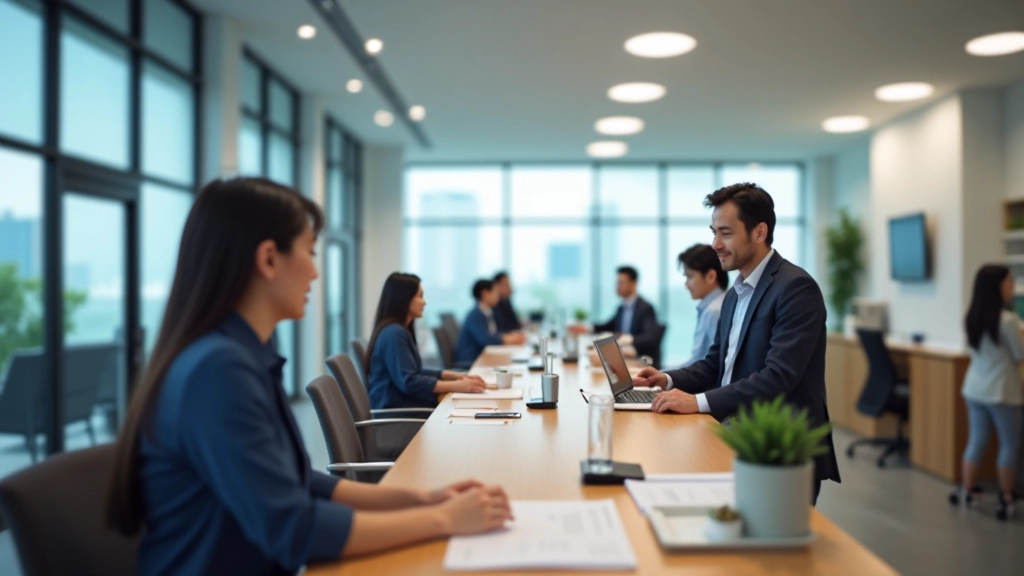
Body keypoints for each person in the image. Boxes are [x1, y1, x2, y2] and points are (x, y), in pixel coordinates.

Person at [106, 179, 512, 575]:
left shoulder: (241, 356)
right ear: (268, 259)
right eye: (310, 252)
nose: (316, 274)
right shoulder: (217, 371)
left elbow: (300, 482)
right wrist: (443, 520)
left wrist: (423, 499)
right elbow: (294, 530)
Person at [632, 182, 840, 504]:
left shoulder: (796, 288)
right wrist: (668, 378)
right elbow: (716, 363)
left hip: (774, 447)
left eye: (725, 233)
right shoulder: (736, 293)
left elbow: (778, 376)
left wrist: (697, 402)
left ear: (759, 232)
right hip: (732, 430)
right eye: (714, 232)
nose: (715, 244)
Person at [949, 265, 1024, 520]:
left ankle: (967, 491)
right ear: (996, 287)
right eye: (1009, 282)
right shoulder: (1008, 321)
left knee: (977, 440)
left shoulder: (971, 316)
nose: (1012, 286)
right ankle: (1007, 496)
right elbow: (1020, 355)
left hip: (974, 388)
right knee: (1009, 445)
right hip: (1002, 391)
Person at [366, 273, 487, 410]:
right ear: (404, 299)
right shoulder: (394, 333)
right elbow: (409, 382)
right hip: (398, 414)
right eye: (420, 296)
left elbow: (413, 371)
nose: (424, 302)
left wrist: (451, 375)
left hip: (406, 407)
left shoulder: (398, 330)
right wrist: (456, 385)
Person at [590, 266, 661, 365]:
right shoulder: (621, 307)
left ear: (633, 284)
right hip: (622, 357)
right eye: (617, 283)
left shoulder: (645, 308)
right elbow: (608, 325)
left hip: (639, 360)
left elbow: (650, 337)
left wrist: (629, 339)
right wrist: (588, 327)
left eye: (621, 283)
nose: (617, 287)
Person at [678, 244, 728, 367]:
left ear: (711, 276)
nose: (686, 284)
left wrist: (663, 375)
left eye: (689, 276)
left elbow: (706, 364)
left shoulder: (714, 310)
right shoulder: (721, 302)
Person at [454, 279, 526, 365]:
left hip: (483, 357)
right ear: (485, 294)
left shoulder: (486, 312)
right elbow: (486, 339)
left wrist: (511, 336)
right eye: (495, 292)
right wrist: (509, 338)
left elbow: (494, 333)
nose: (498, 296)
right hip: (472, 360)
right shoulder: (475, 315)